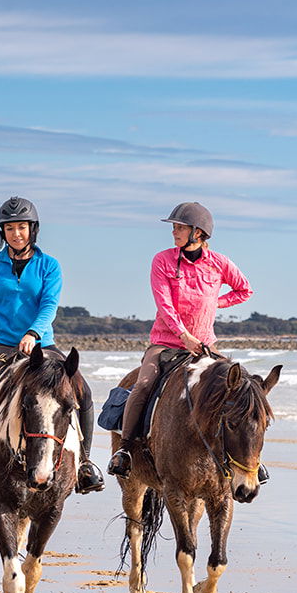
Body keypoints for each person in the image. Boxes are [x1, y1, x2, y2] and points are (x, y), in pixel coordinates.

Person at [0, 196, 105, 493]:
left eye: (22, 227)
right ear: (3, 232)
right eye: (10, 228)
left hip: (41, 344)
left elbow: (49, 305)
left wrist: (33, 333)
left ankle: (86, 463)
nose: (16, 234)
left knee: (81, 389)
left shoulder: (49, 266)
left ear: (32, 229)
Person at [106, 202, 263, 480]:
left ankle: (248, 460)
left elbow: (244, 290)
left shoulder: (220, 263)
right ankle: (126, 449)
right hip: (166, 344)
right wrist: (184, 336)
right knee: (142, 385)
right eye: (175, 227)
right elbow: (164, 305)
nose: (174, 232)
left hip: (205, 347)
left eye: (180, 227)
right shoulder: (162, 260)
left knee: (239, 392)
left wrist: (215, 303)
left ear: (199, 232)